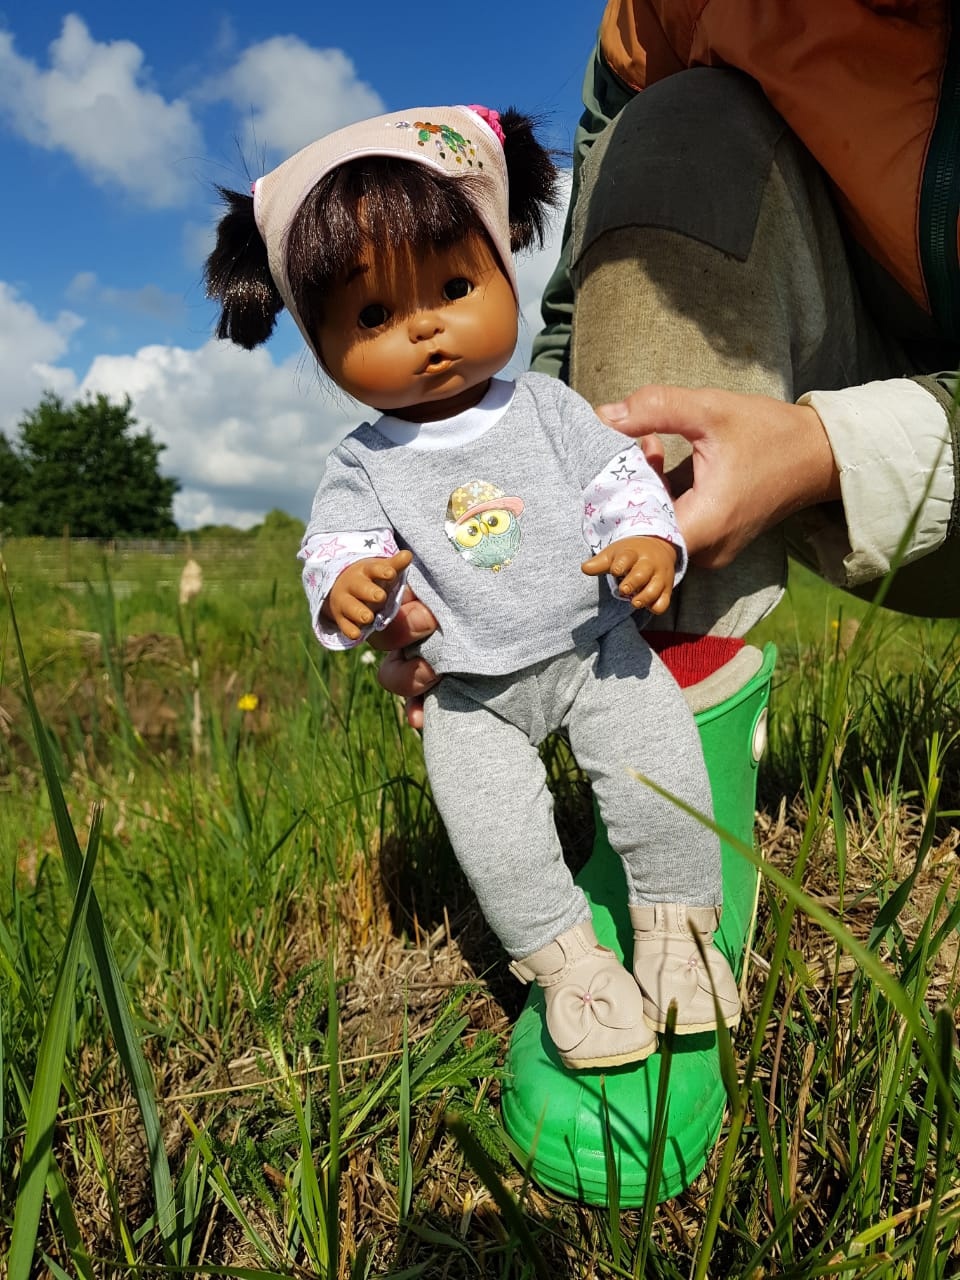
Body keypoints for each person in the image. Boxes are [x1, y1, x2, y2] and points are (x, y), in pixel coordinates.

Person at [204, 103, 741, 1071]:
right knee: (498, 838)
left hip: (597, 650)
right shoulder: (361, 462)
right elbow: (334, 547)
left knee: (660, 777)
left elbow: (618, 475)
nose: (425, 329)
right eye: (373, 317)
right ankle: (569, 964)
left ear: (503, 267)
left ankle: (678, 930)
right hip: (470, 692)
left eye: (455, 287)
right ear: (323, 347)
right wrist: (351, 589)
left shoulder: (546, 405)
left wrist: (644, 536)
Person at [377, 0, 960, 715]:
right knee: (677, 136)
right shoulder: (654, 19)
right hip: (845, 439)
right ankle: (670, 720)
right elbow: (574, 312)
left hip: (901, 474)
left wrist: (827, 450)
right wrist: (505, 526)